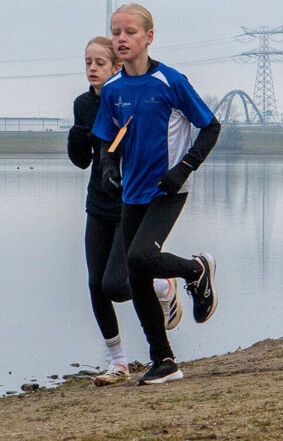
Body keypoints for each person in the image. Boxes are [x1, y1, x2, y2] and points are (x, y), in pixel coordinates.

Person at [92, 4, 221, 385]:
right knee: (134, 276)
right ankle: (164, 360)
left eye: (130, 32)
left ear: (149, 37)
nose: (121, 38)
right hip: (132, 193)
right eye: (116, 32)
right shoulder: (112, 89)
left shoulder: (170, 81)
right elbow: (107, 140)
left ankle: (196, 269)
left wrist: (183, 168)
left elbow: (211, 127)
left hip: (169, 189)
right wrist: (109, 169)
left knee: (140, 257)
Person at [69, 37, 183, 386]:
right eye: (87, 62)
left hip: (129, 202)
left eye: (99, 63)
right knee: (96, 285)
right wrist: (76, 136)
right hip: (97, 203)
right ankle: (118, 363)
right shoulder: (83, 104)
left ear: (117, 67)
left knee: (117, 285)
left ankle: (162, 283)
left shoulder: (128, 98)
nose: (91, 68)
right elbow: (83, 160)